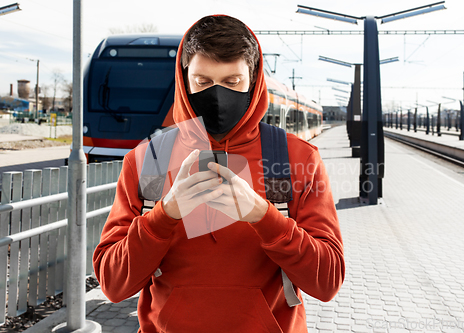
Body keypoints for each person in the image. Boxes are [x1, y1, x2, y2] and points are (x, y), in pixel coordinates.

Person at [93, 15, 345, 333]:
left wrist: (264, 217)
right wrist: (164, 215)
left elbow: (328, 282)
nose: (216, 96)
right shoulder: (148, 160)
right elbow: (113, 285)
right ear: (183, 79)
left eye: (232, 82)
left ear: (253, 80)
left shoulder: (295, 158)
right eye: (202, 82)